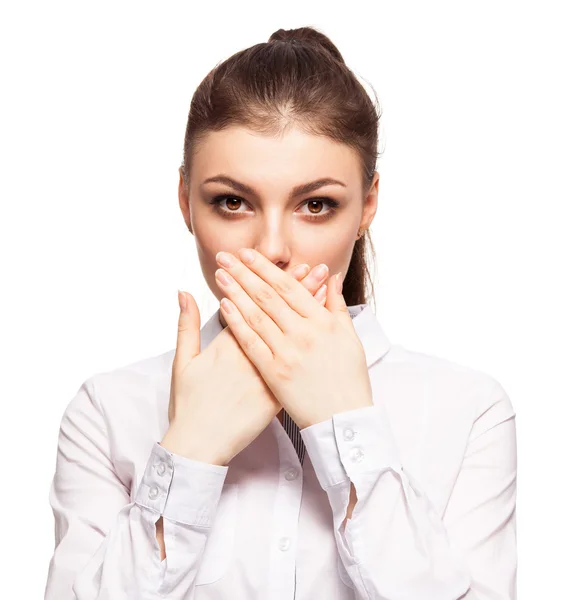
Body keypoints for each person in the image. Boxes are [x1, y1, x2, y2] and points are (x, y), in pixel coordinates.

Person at [44, 26, 517, 600]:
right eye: (232, 202)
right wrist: (191, 448)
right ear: (185, 201)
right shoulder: (107, 411)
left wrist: (348, 428)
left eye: (316, 204)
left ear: (367, 203)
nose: (272, 248)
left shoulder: (468, 411)